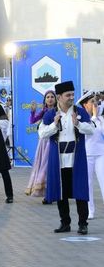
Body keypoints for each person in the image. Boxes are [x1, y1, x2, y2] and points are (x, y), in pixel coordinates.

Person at [39, 81, 94, 234]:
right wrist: (54, 125)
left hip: (77, 158)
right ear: (59, 97)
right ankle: (65, 223)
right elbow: (42, 134)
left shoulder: (79, 111)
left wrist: (78, 124)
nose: (71, 97)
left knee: (80, 191)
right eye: (67, 95)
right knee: (61, 192)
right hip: (59, 159)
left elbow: (91, 130)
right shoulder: (51, 114)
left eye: (72, 94)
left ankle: (83, 223)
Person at [76, 91, 104, 220]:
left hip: (100, 154)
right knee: (88, 183)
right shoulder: (80, 119)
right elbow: (87, 132)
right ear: (85, 105)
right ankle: (90, 210)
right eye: (92, 102)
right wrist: (93, 117)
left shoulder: (100, 119)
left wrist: (97, 118)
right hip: (86, 154)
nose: (95, 104)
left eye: (96, 101)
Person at [25, 90, 56, 202]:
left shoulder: (59, 111)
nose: (50, 99)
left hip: (54, 141)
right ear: (45, 100)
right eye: (48, 97)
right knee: (43, 167)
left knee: (50, 167)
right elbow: (32, 121)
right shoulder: (44, 111)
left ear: (56, 99)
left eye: (52, 96)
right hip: (44, 142)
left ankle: (52, 193)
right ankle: (47, 194)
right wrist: (33, 112)